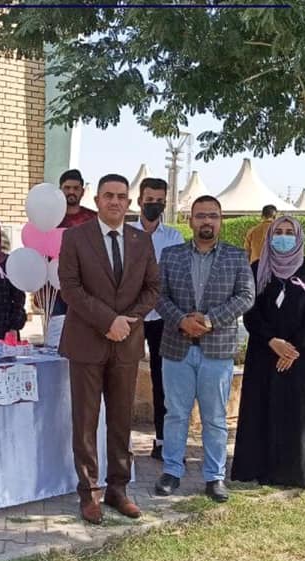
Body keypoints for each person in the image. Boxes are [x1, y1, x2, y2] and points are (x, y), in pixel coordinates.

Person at [58, 174, 160, 524]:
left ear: (129, 203)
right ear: (97, 199)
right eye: (108, 195)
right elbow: (70, 287)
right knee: (86, 421)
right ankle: (89, 492)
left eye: (121, 196)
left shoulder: (141, 240)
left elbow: (153, 288)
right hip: (86, 342)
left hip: (126, 343)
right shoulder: (75, 237)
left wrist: (127, 320)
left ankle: (118, 489)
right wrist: (108, 320)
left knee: (120, 421)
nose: (115, 201)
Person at [153, 195, 254, 501]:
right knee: (175, 414)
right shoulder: (171, 255)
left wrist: (210, 320)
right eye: (200, 216)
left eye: (213, 216)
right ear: (191, 220)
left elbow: (246, 296)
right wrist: (181, 320)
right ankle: (172, 471)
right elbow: (158, 295)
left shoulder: (236, 257)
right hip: (177, 347)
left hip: (217, 350)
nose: (207, 221)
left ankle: (214, 476)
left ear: (221, 221)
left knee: (215, 418)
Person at [231, 216, 305, 489]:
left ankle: (297, 472)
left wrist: (292, 348)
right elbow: (250, 311)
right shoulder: (256, 269)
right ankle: (260, 469)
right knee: (263, 409)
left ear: (298, 238)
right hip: (264, 353)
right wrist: (272, 341)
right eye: (279, 232)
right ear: (269, 236)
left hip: (301, 356)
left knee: (298, 412)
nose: (283, 237)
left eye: (289, 232)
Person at [128, 177, 184, 460]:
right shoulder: (125, 233)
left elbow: (176, 275)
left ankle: (163, 441)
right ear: (139, 201)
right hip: (131, 315)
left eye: (160, 201)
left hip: (163, 317)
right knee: (123, 377)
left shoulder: (174, 237)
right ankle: (119, 442)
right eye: (150, 200)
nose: (154, 205)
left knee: (164, 381)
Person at [52, 169, 99, 316]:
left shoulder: (94, 219)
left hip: (86, 290)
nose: (71, 192)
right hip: (55, 291)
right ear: (60, 190)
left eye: (76, 188)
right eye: (67, 188)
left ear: (82, 191)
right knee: (57, 330)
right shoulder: (49, 217)